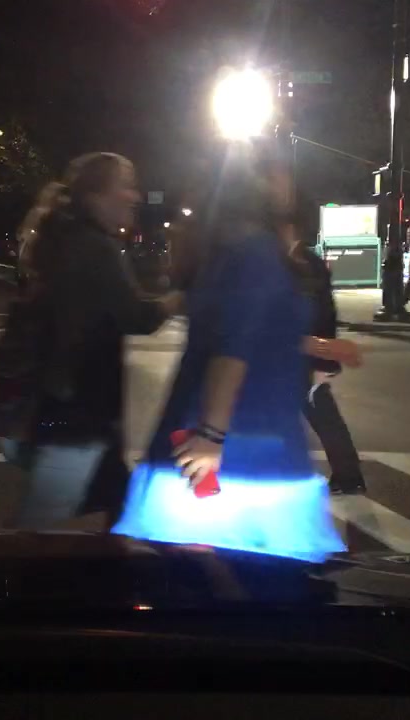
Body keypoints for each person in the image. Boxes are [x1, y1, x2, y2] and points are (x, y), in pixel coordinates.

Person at [112, 158, 353, 562]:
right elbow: (234, 348)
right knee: (251, 580)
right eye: (275, 172)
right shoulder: (257, 253)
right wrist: (212, 436)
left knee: (205, 578)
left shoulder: (233, 253)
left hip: (236, 440)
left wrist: (321, 347)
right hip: (242, 451)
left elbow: (255, 336)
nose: (287, 182)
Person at [9, 152, 179, 529]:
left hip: (69, 411)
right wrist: (177, 300)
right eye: (126, 186)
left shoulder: (66, 239)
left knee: (124, 512)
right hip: (76, 416)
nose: (135, 196)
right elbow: (135, 316)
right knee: (40, 536)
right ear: (97, 195)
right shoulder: (95, 247)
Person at [294, 203, 366, 496]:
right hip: (307, 355)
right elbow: (327, 313)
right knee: (322, 414)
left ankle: (348, 476)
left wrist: (323, 358)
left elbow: (322, 313)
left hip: (299, 356)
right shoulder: (308, 263)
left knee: (321, 414)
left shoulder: (296, 265)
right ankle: (348, 476)